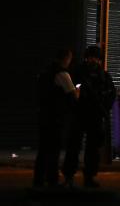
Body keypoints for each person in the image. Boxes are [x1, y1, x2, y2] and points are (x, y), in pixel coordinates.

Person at [62, 44, 116, 188]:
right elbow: (70, 93)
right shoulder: (78, 73)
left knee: (92, 149)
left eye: (96, 58)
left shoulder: (104, 76)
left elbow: (111, 95)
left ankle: (89, 177)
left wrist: (104, 108)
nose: (93, 61)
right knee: (73, 146)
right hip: (79, 114)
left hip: (95, 116)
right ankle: (69, 176)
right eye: (91, 57)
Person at [33, 48, 79, 188]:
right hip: (56, 117)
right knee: (54, 149)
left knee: (43, 149)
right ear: (66, 59)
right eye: (70, 58)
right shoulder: (62, 74)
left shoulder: (45, 72)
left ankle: (38, 180)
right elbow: (72, 96)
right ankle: (52, 179)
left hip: (44, 115)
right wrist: (77, 91)